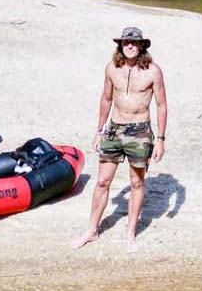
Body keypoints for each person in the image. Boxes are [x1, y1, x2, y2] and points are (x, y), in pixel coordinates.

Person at [72, 26, 167, 252]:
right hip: (114, 129)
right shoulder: (112, 68)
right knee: (103, 181)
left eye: (134, 43)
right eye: (126, 43)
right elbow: (106, 99)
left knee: (136, 182)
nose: (130, 46)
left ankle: (130, 233)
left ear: (142, 45)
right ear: (121, 46)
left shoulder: (153, 71)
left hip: (140, 132)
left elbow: (162, 105)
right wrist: (99, 130)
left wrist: (161, 139)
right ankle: (92, 230)